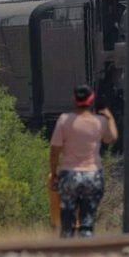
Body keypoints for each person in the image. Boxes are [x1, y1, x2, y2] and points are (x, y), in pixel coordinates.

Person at [49, 84, 119, 238]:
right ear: (92, 100)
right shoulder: (99, 121)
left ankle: (67, 250)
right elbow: (112, 138)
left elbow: (54, 151)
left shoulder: (63, 120)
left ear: (74, 100)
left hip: (69, 176)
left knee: (67, 222)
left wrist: (54, 173)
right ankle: (86, 245)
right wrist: (109, 116)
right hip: (93, 175)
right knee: (88, 220)